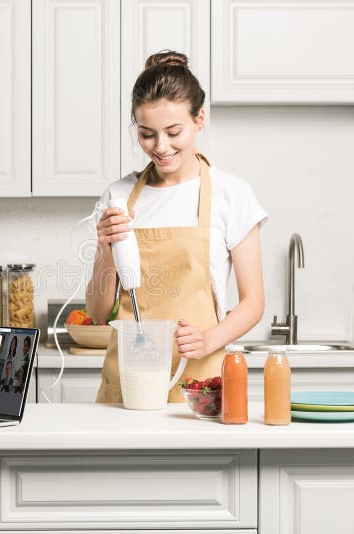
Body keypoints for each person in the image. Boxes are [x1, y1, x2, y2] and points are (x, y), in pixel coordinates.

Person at [87, 51, 266, 404]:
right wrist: (106, 249)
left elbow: (253, 302)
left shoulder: (232, 194)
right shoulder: (119, 196)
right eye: (147, 134)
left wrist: (209, 339)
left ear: (200, 119)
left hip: (200, 385)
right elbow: (97, 311)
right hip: (128, 385)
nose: (161, 147)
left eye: (173, 132)